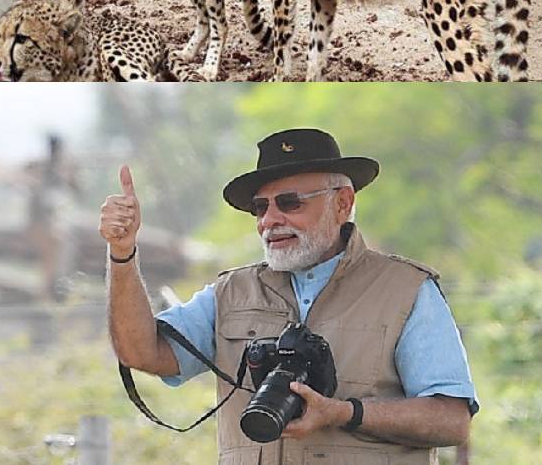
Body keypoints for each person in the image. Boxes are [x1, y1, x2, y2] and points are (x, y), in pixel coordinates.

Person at [100, 128, 477, 464]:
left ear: (342, 203)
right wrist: (122, 252)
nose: (269, 220)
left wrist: (345, 413)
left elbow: (452, 421)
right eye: (260, 208)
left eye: (290, 202)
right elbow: (140, 352)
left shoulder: (405, 289)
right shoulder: (230, 292)